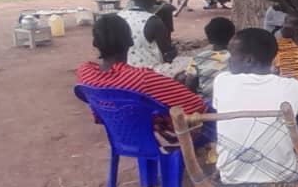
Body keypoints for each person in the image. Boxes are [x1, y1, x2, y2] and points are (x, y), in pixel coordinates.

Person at [212, 28, 298, 187]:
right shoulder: (294, 86)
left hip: (231, 174)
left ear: (249, 60)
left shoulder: (221, 81)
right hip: (285, 174)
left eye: (231, 54)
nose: (228, 60)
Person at [76, 14, 206, 116]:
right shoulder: (143, 78)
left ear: (95, 43)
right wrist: (190, 88)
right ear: (130, 41)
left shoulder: (85, 73)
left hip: (122, 135)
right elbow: (197, 105)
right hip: (162, 139)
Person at [117, 0, 178, 73]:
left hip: (123, 72)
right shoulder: (154, 22)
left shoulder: (118, 17)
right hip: (150, 74)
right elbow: (166, 52)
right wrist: (174, 51)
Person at [181, 17, 235, 100]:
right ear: (233, 36)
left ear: (209, 39)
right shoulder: (239, 57)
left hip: (206, 103)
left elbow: (190, 84)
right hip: (230, 100)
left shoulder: (200, 58)